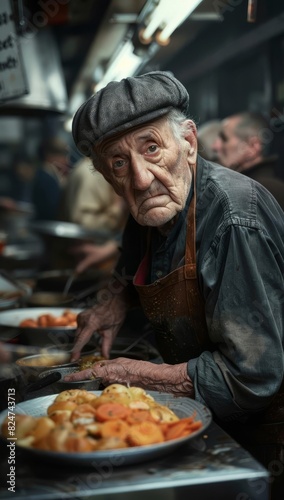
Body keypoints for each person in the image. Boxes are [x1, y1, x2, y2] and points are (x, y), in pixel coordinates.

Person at [66, 71, 284, 492]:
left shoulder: (234, 218)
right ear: (106, 177)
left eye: (152, 147)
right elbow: (133, 270)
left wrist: (139, 374)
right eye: (118, 162)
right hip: (205, 423)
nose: (141, 178)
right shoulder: (149, 207)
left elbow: (252, 377)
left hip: (264, 438)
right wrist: (116, 301)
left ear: (189, 143)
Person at [58, 156, 128, 274]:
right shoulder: (91, 173)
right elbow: (86, 227)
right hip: (87, 261)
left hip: (103, 258)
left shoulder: (100, 168)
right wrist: (117, 209)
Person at [212, 111, 284, 210]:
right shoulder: (251, 186)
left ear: (252, 146)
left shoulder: (261, 190)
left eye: (224, 139)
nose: (215, 146)